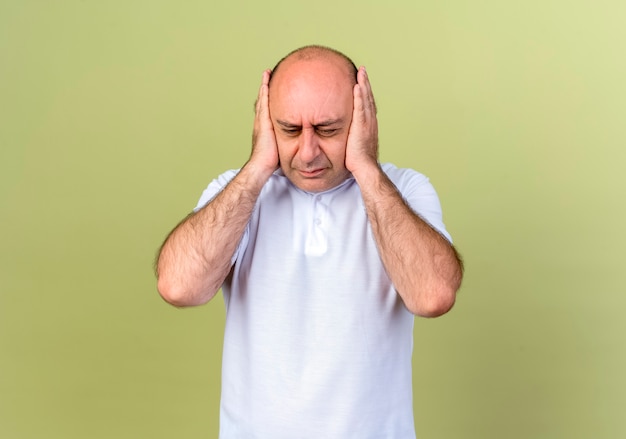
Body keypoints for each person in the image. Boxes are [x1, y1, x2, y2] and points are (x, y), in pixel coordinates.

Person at [156, 45, 463, 439]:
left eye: (328, 130)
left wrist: (366, 168)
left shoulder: (404, 190)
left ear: (362, 121)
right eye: (289, 130)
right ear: (266, 124)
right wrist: (257, 168)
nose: (308, 151)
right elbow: (179, 287)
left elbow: (433, 295)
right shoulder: (235, 194)